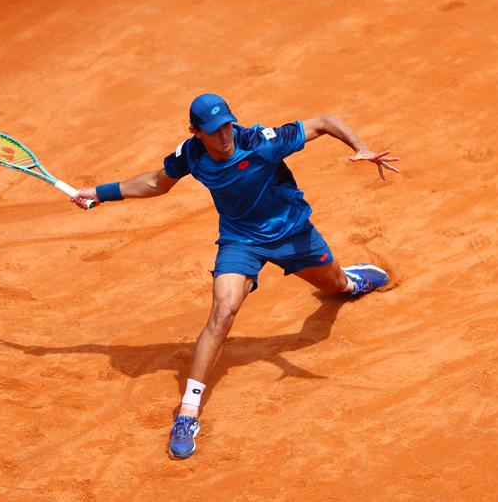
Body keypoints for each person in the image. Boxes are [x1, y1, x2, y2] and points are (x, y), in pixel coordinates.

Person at [72, 94, 399, 459]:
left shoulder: (262, 142)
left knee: (336, 284)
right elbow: (155, 183)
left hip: (293, 235)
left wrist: (361, 146)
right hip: (241, 241)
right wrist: (100, 194)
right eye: (213, 131)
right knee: (223, 312)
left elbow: (324, 121)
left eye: (227, 125)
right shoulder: (191, 154)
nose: (224, 135)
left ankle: (351, 283)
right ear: (196, 132)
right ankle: (187, 414)